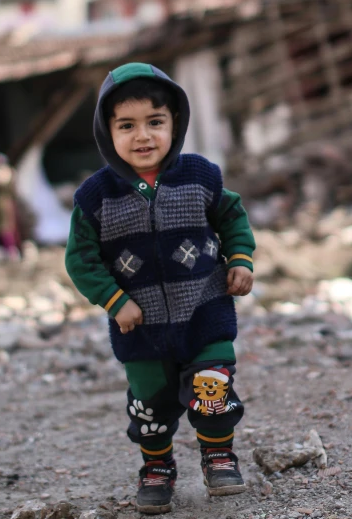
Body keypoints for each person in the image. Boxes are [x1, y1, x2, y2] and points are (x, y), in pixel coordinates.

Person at [65, 63, 256, 514]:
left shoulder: (200, 176)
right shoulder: (95, 197)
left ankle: (218, 455)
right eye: (127, 125)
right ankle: (157, 467)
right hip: (141, 326)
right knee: (149, 406)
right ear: (106, 132)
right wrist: (115, 300)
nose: (143, 136)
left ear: (175, 123)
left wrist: (241, 259)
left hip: (204, 311)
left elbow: (232, 218)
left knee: (213, 389)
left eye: (155, 122)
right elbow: (80, 259)